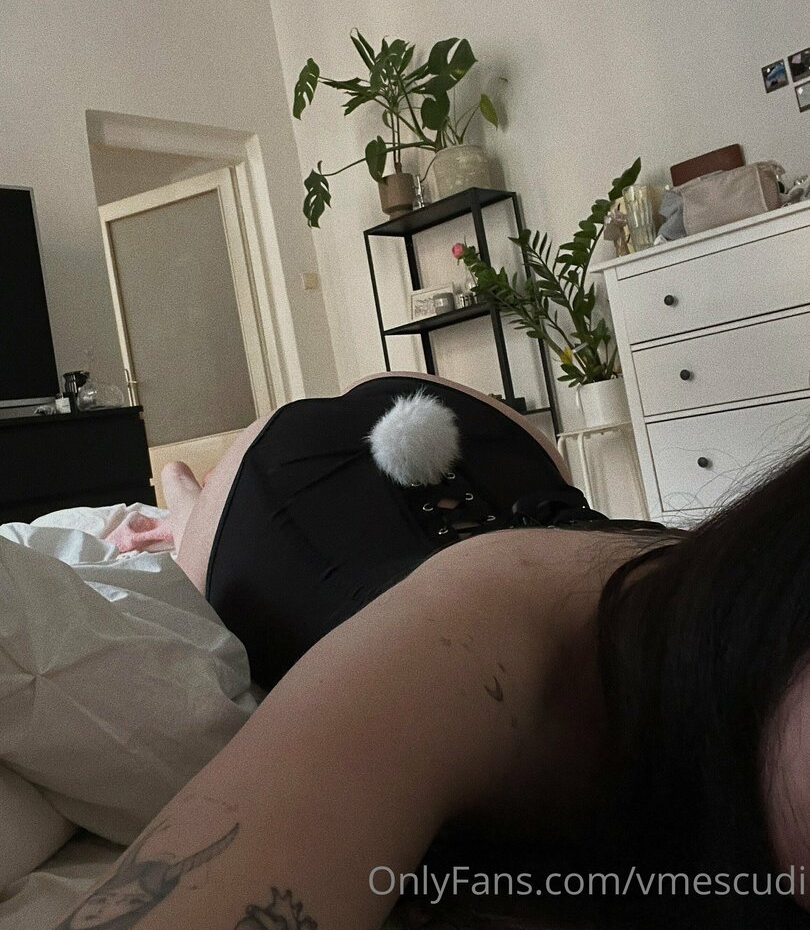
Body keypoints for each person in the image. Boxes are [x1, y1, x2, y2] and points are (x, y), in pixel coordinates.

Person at [54, 374, 810, 930]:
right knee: (195, 536)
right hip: (287, 491)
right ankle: (180, 497)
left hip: (501, 454)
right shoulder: (489, 653)